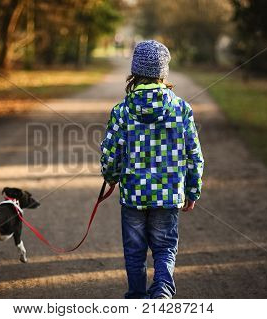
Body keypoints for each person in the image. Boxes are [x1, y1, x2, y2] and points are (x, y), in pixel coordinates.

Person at [100, 40, 204, 299]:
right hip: (168, 195)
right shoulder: (181, 109)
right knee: (165, 247)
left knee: (134, 251)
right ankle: (161, 296)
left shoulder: (122, 111)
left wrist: (111, 177)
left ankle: (136, 297)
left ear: (135, 72)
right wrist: (192, 190)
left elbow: (111, 153)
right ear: (163, 73)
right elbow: (194, 154)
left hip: (134, 196)